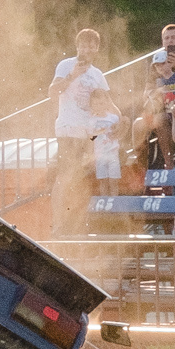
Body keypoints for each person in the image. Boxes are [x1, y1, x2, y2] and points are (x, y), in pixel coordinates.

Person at [51, 28, 116, 232]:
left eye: (91, 45)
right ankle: (58, 224)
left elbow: (108, 102)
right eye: (83, 44)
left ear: (96, 49)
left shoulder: (97, 74)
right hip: (68, 130)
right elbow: (52, 91)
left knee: (81, 181)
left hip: (89, 135)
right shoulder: (66, 65)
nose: (86, 49)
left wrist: (121, 119)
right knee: (64, 177)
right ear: (77, 46)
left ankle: (76, 226)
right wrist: (72, 75)